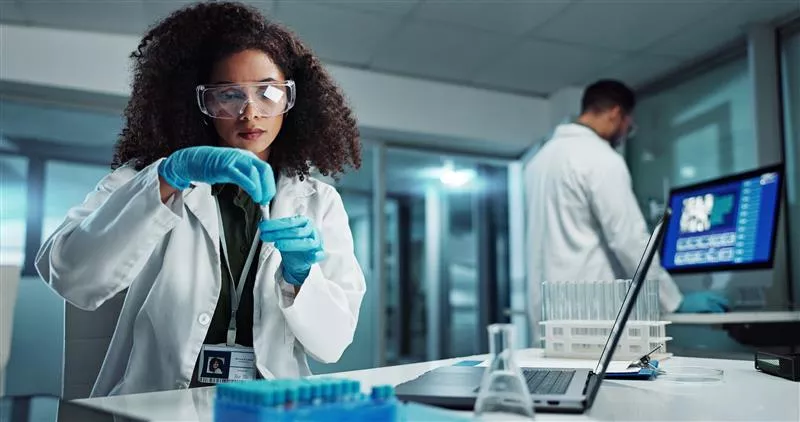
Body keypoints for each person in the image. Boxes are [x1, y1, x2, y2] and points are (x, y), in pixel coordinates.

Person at [35, 2, 365, 397]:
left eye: (267, 93)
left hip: (268, 404)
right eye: (228, 95)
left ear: (292, 100)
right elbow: (70, 274)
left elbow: (333, 343)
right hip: (160, 402)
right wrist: (166, 180)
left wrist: (300, 279)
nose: (249, 113)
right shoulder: (147, 178)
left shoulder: (319, 201)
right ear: (202, 105)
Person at [525, 80, 729, 340]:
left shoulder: (539, 161)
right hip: (590, 315)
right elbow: (628, 239)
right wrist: (673, 300)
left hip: (547, 315)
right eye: (627, 126)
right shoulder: (600, 158)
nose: (624, 133)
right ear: (615, 113)